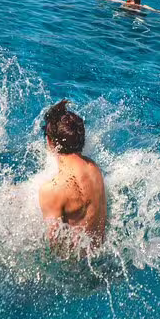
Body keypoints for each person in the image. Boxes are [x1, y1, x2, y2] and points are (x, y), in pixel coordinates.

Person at [39, 100, 107, 250]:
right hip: (102, 258)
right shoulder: (94, 168)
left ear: (50, 142)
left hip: (75, 269)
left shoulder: (52, 190)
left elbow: (54, 248)